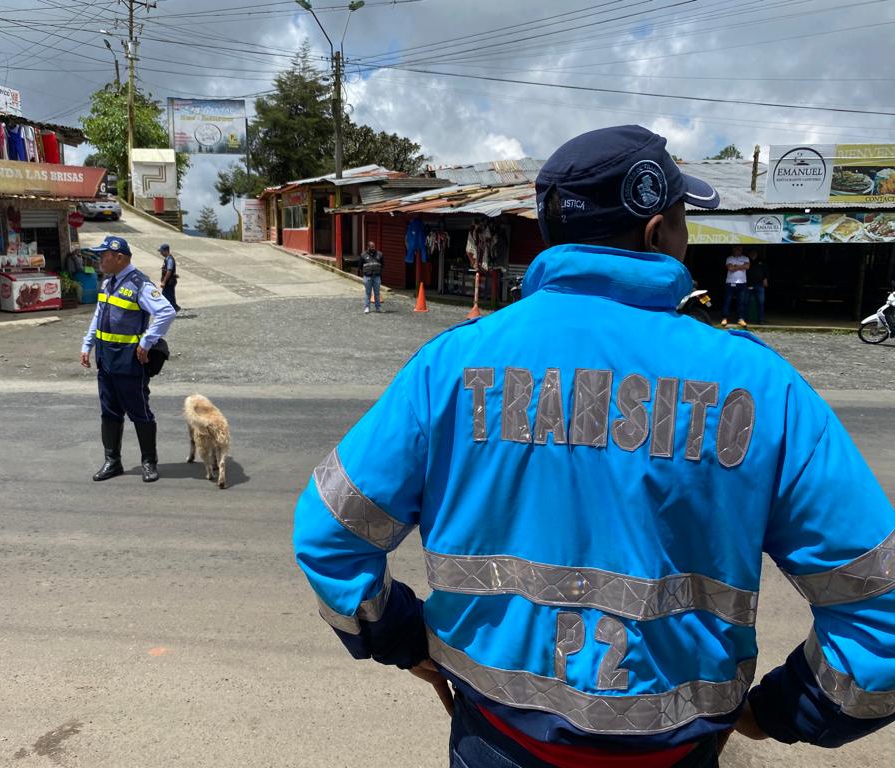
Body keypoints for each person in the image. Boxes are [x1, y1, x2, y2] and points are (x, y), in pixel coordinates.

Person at [293, 125, 895, 768]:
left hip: (494, 745)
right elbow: (880, 616)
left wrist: (404, 637)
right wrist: (782, 709)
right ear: (657, 232)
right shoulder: (763, 387)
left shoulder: (450, 366)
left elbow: (330, 531)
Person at [80, 236, 176, 483]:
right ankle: (112, 461)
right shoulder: (108, 282)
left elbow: (166, 311)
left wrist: (147, 342)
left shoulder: (139, 284)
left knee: (139, 412)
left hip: (129, 360)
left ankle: (148, 462)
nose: (100, 259)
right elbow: (98, 314)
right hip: (106, 359)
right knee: (109, 412)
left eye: (104, 255)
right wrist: (87, 344)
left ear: (119, 257)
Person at [720, 245, 749, 327]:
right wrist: (741, 266)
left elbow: (747, 266)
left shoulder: (745, 258)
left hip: (742, 283)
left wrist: (735, 266)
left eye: (740, 249)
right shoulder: (729, 258)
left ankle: (741, 319)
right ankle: (724, 318)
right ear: (733, 249)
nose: (739, 250)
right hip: (730, 283)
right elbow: (730, 268)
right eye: (737, 249)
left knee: (741, 302)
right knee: (727, 301)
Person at [359, 240, 383, 313]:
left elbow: (383, 265)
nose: (373, 248)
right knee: (368, 293)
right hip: (367, 277)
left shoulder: (380, 254)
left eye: (374, 247)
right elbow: (360, 266)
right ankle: (367, 307)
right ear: (368, 247)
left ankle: (378, 307)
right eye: (371, 247)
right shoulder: (363, 255)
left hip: (377, 277)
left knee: (377, 293)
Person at [745, 249, 768, 323]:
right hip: (748, 284)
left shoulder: (762, 261)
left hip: (759, 284)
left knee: (760, 302)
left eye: (754, 252)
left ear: (757, 253)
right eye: (751, 252)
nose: (753, 253)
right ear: (749, 253)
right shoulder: (746, 260)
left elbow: (766, 271)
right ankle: (746, 319)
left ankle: (760, 320)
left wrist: (765, 280)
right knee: (746, 302)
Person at [159, 243, 180, 312]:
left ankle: (173, 309)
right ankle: (173, 308)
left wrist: (164, 282)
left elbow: (169, 271)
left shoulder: (170, 260)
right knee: (168, 296)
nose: (160, 253)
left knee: (167, 296)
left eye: (161, 251)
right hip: (170, 281)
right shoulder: (167, 259)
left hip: (169, 282)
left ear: (166, 251)